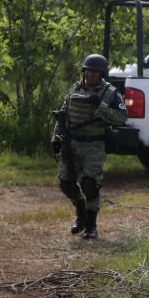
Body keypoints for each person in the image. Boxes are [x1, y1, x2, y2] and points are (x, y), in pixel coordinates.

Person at [52, 54, 127, 240]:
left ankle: (91, 226)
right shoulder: (76, 88)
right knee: (66, 183)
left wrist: (100, 106)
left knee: (90, 185)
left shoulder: (110, 93)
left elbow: (122, 117)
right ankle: (81, 213)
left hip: (94, 145)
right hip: (72, 144)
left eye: (95, 71)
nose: (91, 74)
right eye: (88, 70)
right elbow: (63, 114)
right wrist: (56, 137)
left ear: (101, 74)